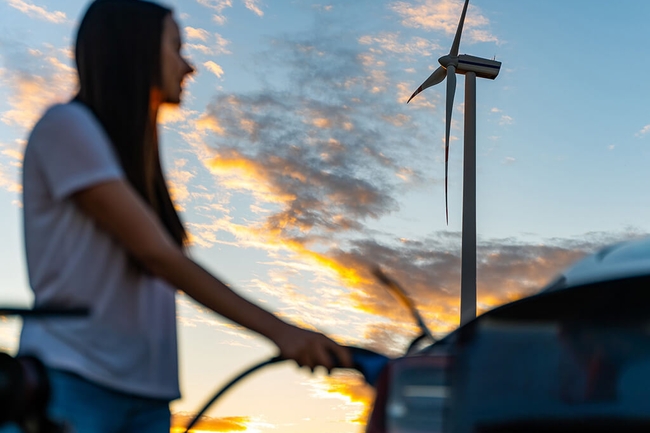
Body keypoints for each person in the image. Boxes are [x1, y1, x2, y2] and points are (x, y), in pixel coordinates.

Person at [17, 0, 352, 431]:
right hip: (73, 383)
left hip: (148, 397)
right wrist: (283, 332)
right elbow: (157, 255)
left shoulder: (134, 159)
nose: (188, 65)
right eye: (176, 46)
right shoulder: (65, 125)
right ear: (136, 50)